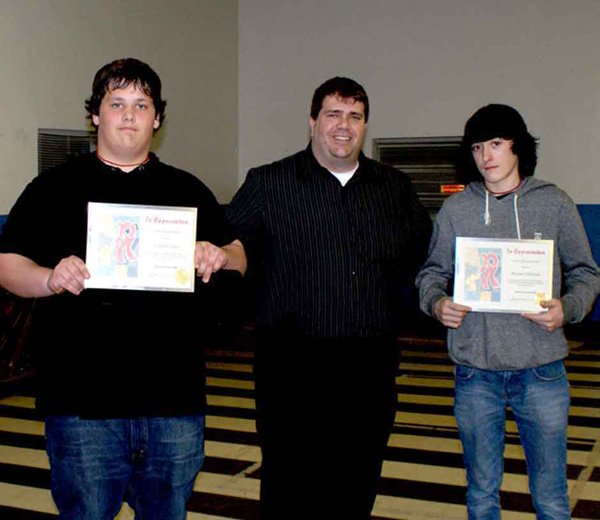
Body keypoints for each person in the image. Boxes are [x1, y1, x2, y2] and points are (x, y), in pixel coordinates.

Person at [0, 58, 246, 519]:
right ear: (96, 114)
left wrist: (221, 255)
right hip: (81, 404)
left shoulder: (185, 189)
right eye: (117, 103)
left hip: (173, 399)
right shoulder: (53, 188)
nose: (129, 115)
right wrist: (49, 278)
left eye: (141, 104)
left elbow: (239, 253)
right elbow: (6, 264)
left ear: (158, 118)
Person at [222, 77, 432, 519]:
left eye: (354, 116)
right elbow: (231, 245)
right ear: (313, 121)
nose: (343, 126)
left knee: (357, 482)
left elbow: (420, 260)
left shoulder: (395, 188)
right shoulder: (269, 183)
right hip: (291, 367)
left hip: (369, 366)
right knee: (288, 485)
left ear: (365, 126)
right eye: (333, 114)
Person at [416, 104, 600, 519]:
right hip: (474, 373)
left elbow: (587, 273)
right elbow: (430, 273)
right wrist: (437, 303)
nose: (486, 156)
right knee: (481, 495)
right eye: (478, 147)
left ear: (518, 147)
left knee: (551, 498)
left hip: (542, 372)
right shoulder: (457, 209)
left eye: (496, 144)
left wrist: (567, 309)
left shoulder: (553, 203)